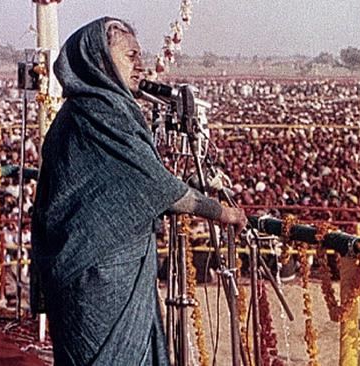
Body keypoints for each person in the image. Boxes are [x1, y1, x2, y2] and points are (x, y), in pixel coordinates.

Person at [30, 17, 247, 365]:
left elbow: (130, 183)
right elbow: (157, 187)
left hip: (83, 270)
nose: (141, 65)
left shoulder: (76, 114)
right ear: (100, 61)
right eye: (130, 55)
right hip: (100, 277)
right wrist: (223, 213)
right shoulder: (103, 114)